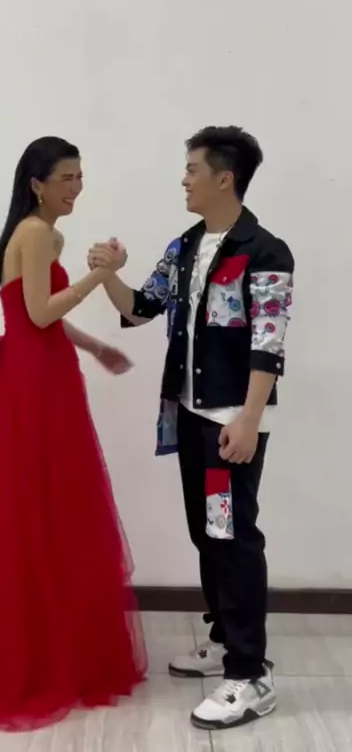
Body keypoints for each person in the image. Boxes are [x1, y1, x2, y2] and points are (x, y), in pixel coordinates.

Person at [0, 136, 147, 730]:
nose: (77, 187)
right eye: (66, 177)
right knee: (42, 508)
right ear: (37, 183)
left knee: (32, 508)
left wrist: (94, 346)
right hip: (35, 385)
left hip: (31, 376)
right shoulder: (38, 234)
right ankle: (36, 653)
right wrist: (99, 275)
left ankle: (36, 643)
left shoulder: (33, 232)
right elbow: (41, 314)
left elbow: (34, 316)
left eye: (80, 176)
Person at [89, 126, 294, 731]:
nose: (183, 180)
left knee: (232, 538)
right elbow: (140, 308)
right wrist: (108, 273)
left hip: (230, 421)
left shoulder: (264, 251)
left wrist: (248, 420)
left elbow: (268, 343)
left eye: (191, 170)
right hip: (189, 416)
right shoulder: (185, 247)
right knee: (207, 533)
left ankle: (250, 675)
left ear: (224, 178)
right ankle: (226, 641)